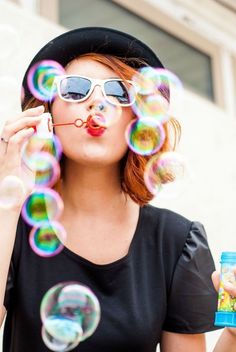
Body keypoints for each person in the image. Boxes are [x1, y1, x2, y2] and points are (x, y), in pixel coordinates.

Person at [0, 27, 235, 352]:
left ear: (138, 120)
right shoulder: (12, 225)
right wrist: (8, 203)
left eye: (119, 92)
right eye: (76, 89)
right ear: (46, 113)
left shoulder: (176, 241)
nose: (97, 102)